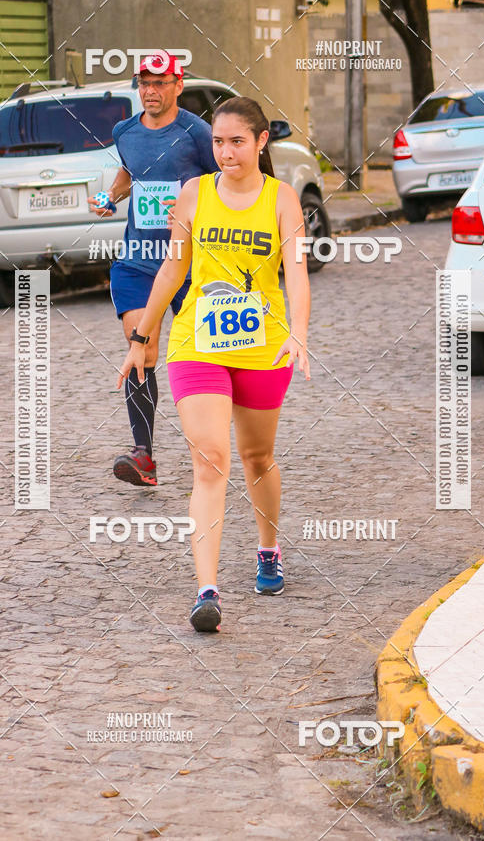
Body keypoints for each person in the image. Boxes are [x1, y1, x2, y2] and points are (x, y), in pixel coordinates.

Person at [117, 96, 311, 632]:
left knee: (257, 455)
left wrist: (299, 331)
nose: (226, 152)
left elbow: (296, 272)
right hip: (197, 343)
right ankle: (207, 592)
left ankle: (268, 549)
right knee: (210, 460)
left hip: (262, 346)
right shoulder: (195, 194)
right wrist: (141, 336)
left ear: (261, 141)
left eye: (237, 142)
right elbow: (172, 270)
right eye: (219, 142)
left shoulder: (282, 199)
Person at [89, 51, 217, 487]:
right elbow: (128, 173)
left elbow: (223, 183)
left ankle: (212, 446)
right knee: (140, 351)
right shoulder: (124, 131)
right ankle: (143, 455)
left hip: (191, 263)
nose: (150, 90)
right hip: (139, 260)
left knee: (203, 357)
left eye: (160, 82)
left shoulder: (198, 133)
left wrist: (191, 208)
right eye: (144, 82)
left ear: (178, 85)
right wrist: (110, 197)